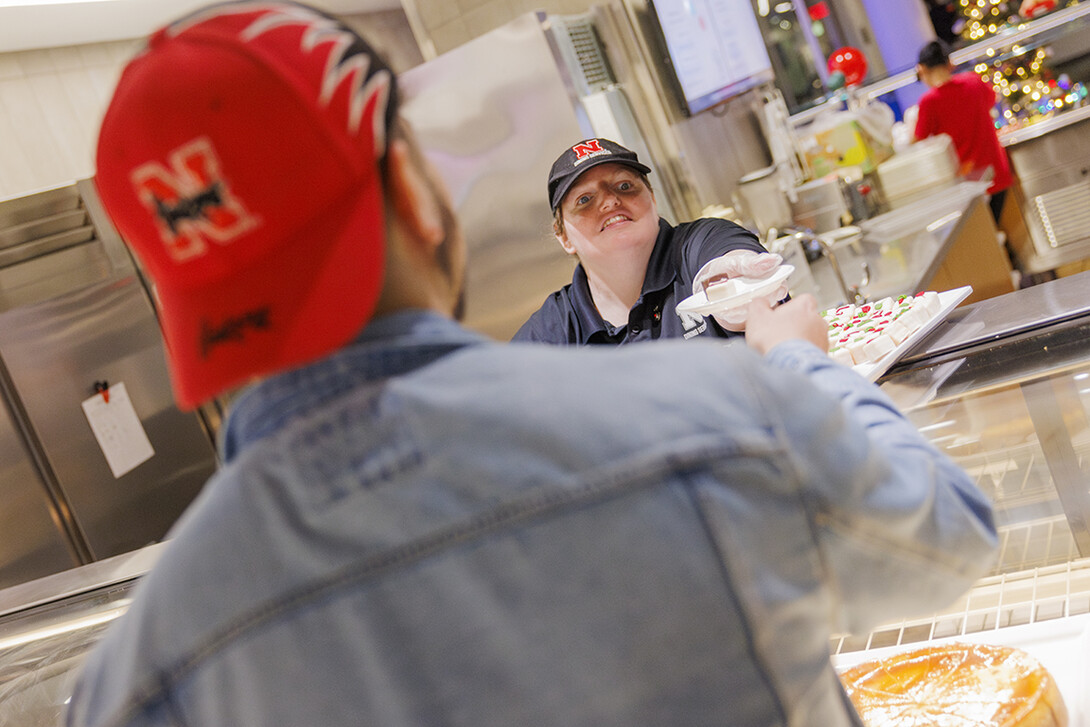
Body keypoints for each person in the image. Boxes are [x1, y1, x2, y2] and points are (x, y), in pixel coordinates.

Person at [66, 3, 997, 726]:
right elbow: (947, 537)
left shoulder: (136, 680)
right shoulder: (730, 418)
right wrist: (800, 368)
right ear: (417, 197)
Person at [511, 138, 782, 344]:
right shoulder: (557, 326)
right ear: (564, 237)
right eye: (585, 200)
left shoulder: (699, 243)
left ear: (652, 199)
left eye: (624, 186)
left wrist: (738, 290)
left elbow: (728, 254)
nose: (610, 201)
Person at [915, 39, 1013, 225]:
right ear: (949, 63)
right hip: (997, 172)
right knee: (993, 233)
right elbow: (991, 100)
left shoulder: (929, 102)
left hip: (968, 184)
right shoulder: (973, 81)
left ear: (922, 69)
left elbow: (917, 140)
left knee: (983, 238)